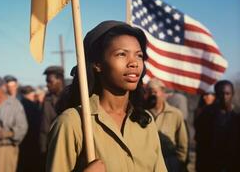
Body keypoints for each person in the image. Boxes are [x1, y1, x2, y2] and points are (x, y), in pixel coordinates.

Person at [46, 20, 167, 172]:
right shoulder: (73, 122)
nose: (134, 63)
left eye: (139, 55)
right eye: (121, 54)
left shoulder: (145, 121)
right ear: (98, 64)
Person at [194, 80, 240, 172]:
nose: (224, 97)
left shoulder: (238, 116)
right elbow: (200, 142)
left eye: (227, 94)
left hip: (232, 164)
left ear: (232, 94)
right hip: (209, 164)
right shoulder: (206, 114)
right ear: (217, 94)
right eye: (221, 93)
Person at [146, 78, 188, 172]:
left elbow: (183, 143)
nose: (151, 95)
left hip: (169, 163)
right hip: (147, 164)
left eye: (154, 92)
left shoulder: (175, 114)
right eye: (148, 92)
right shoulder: (141, 114)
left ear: (162, 93)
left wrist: (178, 162)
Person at [39, 65, 65, 169]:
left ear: (60, 80)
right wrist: (43, 150)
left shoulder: (73, 96)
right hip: (51, 148)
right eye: (46, 82)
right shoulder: (48, 99)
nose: (47, 85)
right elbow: (44, 128)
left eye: (50, 81)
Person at [17, 86, 41, 172]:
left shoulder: (18, 105)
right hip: (32, 141)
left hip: (21, 142)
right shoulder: (33, 106)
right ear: (31, 95)